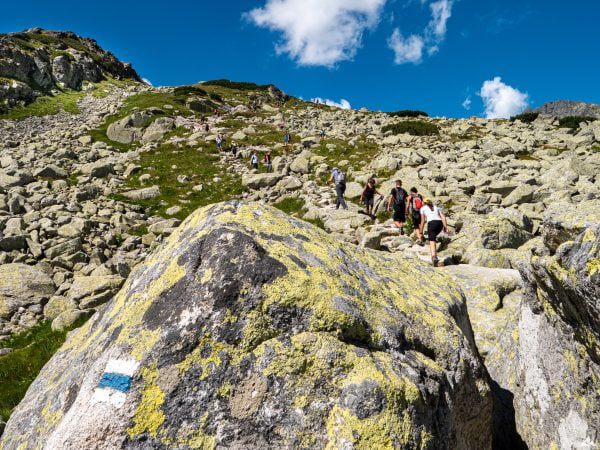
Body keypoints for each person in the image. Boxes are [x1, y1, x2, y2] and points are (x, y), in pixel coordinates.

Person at [419, 198, 448, 267]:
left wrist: (420, 231)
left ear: (424, 203)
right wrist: (445, 227)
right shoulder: (436, 207)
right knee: (433, 236)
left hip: (431, 223)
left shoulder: (422, 208)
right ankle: (434, 254)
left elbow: (423, 221)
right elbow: (443, 217)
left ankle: (434, 257)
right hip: (439, 223)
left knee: (432, 240)